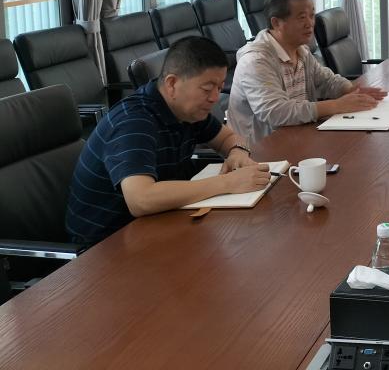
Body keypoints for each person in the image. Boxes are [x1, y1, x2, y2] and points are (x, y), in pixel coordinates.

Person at [66, 37, 271, 247]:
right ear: (172, 83)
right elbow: (140, 199)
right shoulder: (134, 122)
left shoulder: (187, 110)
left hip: (158, 223)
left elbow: (227, 138)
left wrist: (237, 152)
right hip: (106, 245)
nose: (215, 97)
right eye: (207, 88)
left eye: (219, 88)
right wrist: (227, 183)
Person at [229, 0, 386, 146]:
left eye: (312, 16)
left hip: (298, 138)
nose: (310, 23)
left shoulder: (301, 51)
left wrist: (351, 90)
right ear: (276, 23)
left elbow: (326, 81)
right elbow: (275, 112)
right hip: (258, 151)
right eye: (302, 17)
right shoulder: (256, 61)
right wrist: (336, 105)